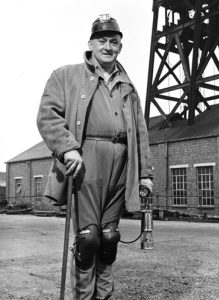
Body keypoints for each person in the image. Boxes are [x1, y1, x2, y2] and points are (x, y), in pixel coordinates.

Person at [37, 14, 153, 300]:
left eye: (114, 42)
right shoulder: (66, 75)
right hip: (85, 164)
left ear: (120, 47)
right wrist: (67, 147)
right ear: (90, 44)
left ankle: (104, 297)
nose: (108, 47)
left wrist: (146, 173)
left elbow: (140, 132)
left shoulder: (129, 87)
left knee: (109, 237)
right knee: (88, 239)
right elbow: (47, 115)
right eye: (102, 40)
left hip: (122, 166)